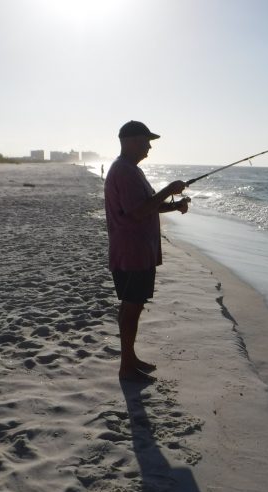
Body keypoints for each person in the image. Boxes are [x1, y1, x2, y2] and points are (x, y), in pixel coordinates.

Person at [104, 120, 190, 382]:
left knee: (133, 306)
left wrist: (174, 205)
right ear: (130, 142)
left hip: (136, 251)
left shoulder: (131, 170)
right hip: (132, 252)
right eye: (145, 141)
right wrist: (169, 190)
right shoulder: (125, 172)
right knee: (132, 307)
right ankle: (127, 367)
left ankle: (129, 358)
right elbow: (139, 211)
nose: (149, 147)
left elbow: (147, 205)